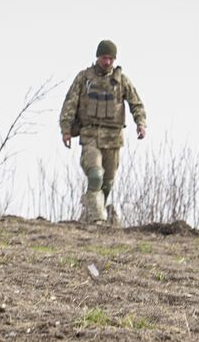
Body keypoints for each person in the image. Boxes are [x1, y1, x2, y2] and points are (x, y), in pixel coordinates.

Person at [59, 40, 147, 223]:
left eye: (110, 58)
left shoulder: (121, 81)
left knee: (106, 183)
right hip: (90, 136)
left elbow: (135, 103)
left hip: (113, 139)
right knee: (95, 175)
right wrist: (66, 129)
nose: (107, 62)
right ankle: (97, 219)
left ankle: (89, 215)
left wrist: (141, 123)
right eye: (104, 58)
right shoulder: (84, 78)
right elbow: (70, 104)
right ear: (97, 57)